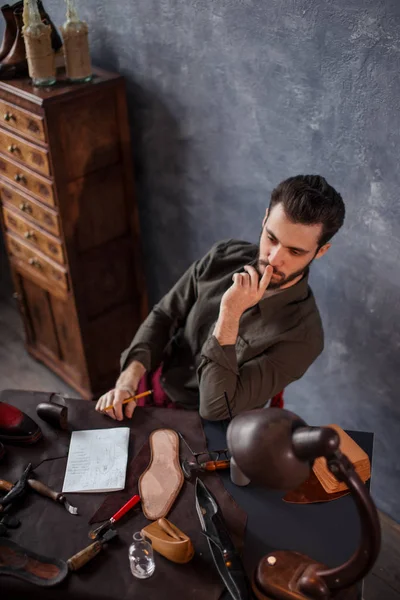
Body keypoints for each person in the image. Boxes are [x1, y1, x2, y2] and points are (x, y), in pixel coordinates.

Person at [96, 174, 345, 422]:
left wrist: (230, 315)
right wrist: (128, 380)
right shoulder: (224, 255)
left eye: (295, 251)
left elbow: (215, 408)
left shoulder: (304, 337)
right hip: (155, 386)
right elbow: (165, 315)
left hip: (212, 431)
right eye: (271, 238)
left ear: (320, 251)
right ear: (265, 217)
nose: (273, 258)